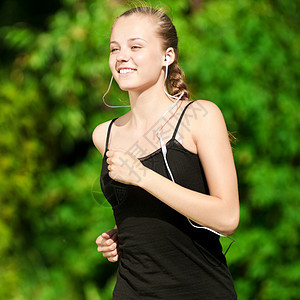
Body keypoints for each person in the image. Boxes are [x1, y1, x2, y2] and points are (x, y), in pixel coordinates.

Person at [92, 5, 239, 299]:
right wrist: (123, 233)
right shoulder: (104, 135)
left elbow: (227, 217)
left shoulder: (200, 116)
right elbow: (155, 212)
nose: (122, 57)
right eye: (114, 48)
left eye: (135, 46)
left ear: (167, 56)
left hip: (199, 290)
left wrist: (142, 176)